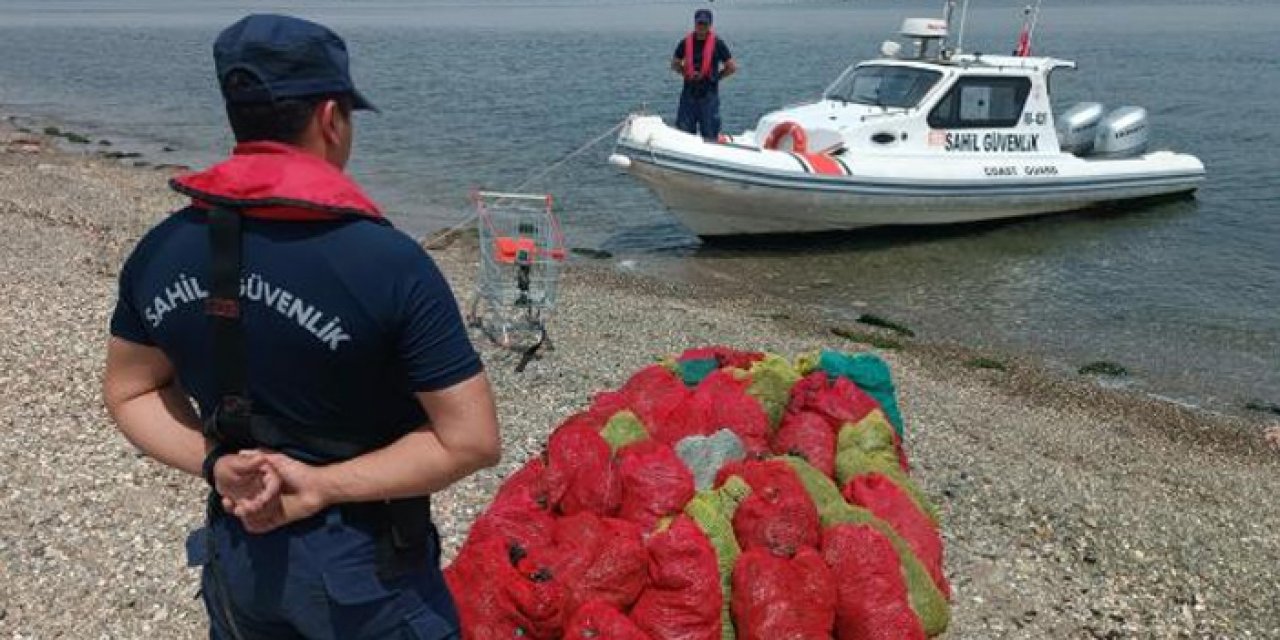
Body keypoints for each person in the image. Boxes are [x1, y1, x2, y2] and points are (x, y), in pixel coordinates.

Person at [101, 13, 500, 639]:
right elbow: (471, 439)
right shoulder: (390, 265)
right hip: (366, 572)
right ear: (330, 119)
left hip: (239, 552)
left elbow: (129, 390)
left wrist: (218, 463)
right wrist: (318, 485)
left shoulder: (162, 250)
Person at [671, 8, 738, 141]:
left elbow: (731, 67)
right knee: (684, 131)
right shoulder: (685, 42)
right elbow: (675, 63)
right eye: (699, 23)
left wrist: (717, 77)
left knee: (709, 130)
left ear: (710, 25)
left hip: (708, 94)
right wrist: (685, 73)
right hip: (689, 93)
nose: (701, 27)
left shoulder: (717, 43)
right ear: (695, 23)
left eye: (704, 24)